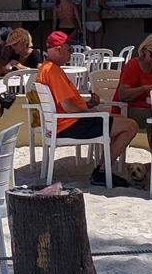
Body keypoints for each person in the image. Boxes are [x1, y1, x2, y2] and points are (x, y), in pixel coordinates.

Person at [37, 31, 137, 188]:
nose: (71, 53)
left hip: (66, 123)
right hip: (71, 125)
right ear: (58, 49)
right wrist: (91, 113)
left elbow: (66, 104)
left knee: (123, 122)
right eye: (69, 49)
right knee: (130, 126)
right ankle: (103, 171)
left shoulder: (46, 68)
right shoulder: (52, 71)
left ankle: (103, 169)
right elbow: (68, 107)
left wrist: (89, 105)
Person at [113, 34, 152, 139]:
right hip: (127, 108)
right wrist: (144, 88)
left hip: (149, 107)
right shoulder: (132, 65)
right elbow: (122, 95)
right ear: (144, 50)